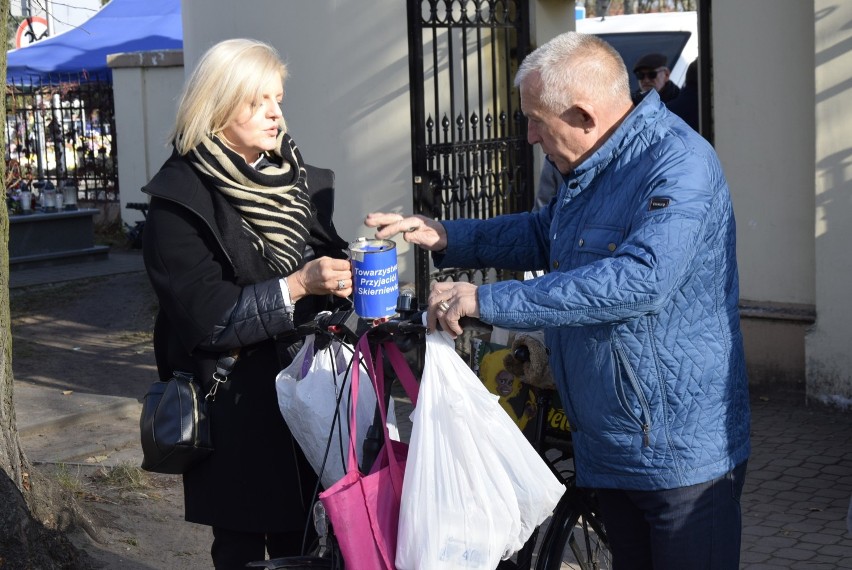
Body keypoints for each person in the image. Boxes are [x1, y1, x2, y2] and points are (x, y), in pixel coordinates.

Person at [366, 31, 750, 570]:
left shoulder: (680, 165)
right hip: (610, 445)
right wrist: (448, 236)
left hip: (679, 458)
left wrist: (486, 299)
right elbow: (551, 233)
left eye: (536, 121)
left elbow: (638, 279)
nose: (528, 137)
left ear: (584, 114)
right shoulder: (590, 161)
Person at [141, 38, 353, 569]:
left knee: (306, 544)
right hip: (232, 405)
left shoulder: (295, 178)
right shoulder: (178, 200)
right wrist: (300, 285)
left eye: (277, 99)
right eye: (257, 101)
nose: (275, 114)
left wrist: (353, 277)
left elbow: (325, 254)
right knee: (240, 549)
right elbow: (208, 318)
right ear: (216, 105)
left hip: (305, 395)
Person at [667, 58, 699, 132]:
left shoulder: (666, 111)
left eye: (652, 75)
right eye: (640, 75)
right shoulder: (711, 109)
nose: (646, 80)